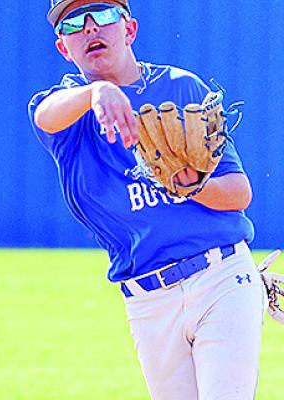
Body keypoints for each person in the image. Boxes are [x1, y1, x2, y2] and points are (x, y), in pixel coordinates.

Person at [28, 1, 267, 399]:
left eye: (102, 15)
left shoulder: (182, 88)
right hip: (148, 301)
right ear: (64, 49)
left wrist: (189, 186)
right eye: (73, 22)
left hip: (221, 277)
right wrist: (98, 92)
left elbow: (239, 193)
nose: (89, 28)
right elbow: (44, 117)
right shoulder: (67, 115)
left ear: (130, 30)